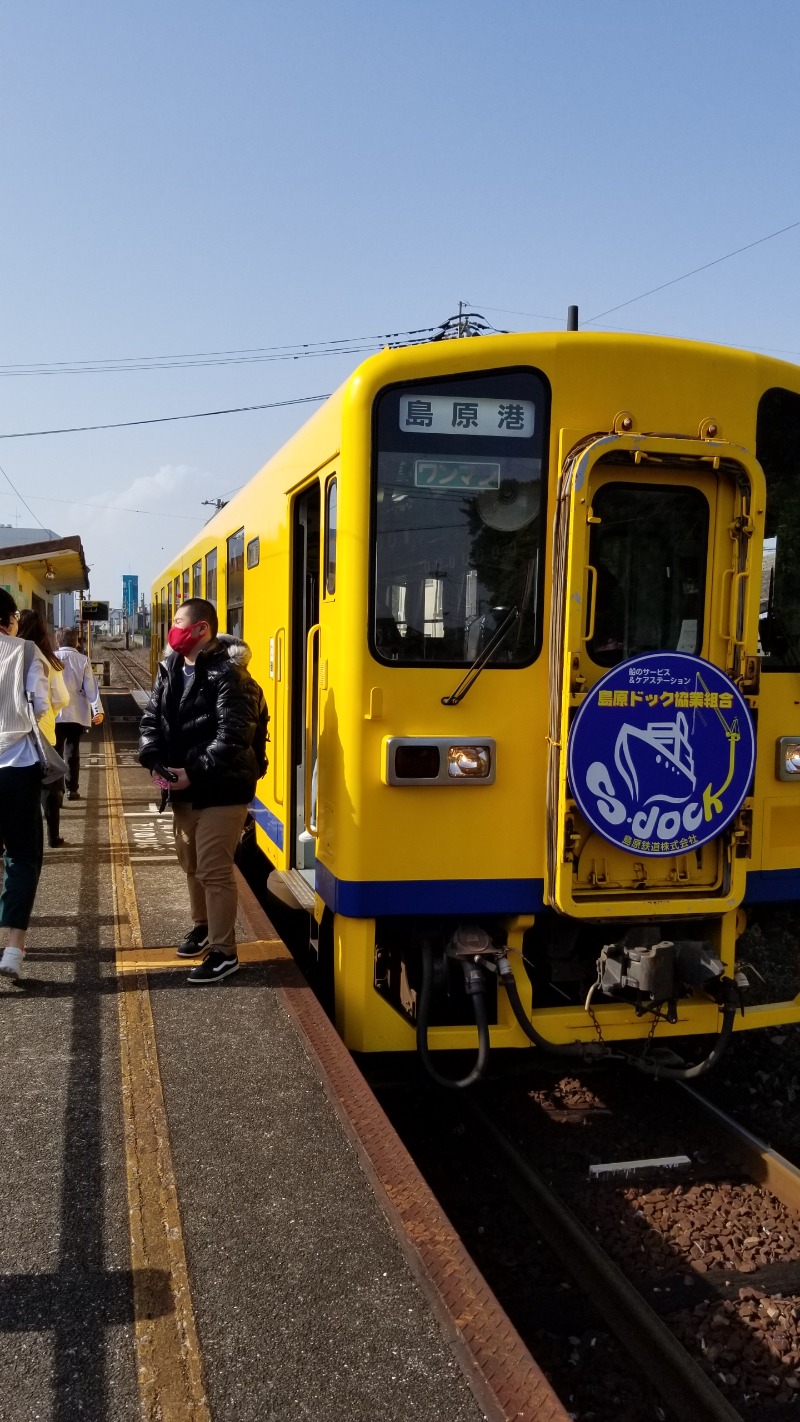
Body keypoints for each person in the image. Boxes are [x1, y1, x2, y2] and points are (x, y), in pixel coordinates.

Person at [138, 597, 268, 984]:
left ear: (201, 630)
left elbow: (233, 737)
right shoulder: (171, 667)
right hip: (183, 787)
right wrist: (152, 755)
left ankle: (225, 952)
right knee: (191, 864)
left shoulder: (230, 675)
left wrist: (192, 771)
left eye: (179, 622)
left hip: (223, 788)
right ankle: (204, 927)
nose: (172, 629)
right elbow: (152, 718)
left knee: (213, 869)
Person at [0, 590, 51, 981]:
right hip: (17, 767)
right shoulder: (26, 651)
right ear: (10, 618)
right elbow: (41, 704)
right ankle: (13, 948)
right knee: (23, 856)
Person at [17, 610, 71, 847]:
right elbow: (61, 698)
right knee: (49, 786)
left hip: (11, 738)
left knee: (17, 792)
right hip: (43, 734)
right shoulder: (48, 659)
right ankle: (52, 836)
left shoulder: (9, 654)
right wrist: (48, 711)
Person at [54, 626, 104, 799]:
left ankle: (57, 788)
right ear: (76, 642)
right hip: (77, 713)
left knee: (55, 751)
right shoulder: (83, 660)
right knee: (72, 751)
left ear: (57, 641)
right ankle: (72, 789)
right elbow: (92, 689)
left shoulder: (51, 657)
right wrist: (98, 711)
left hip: (55, 713)